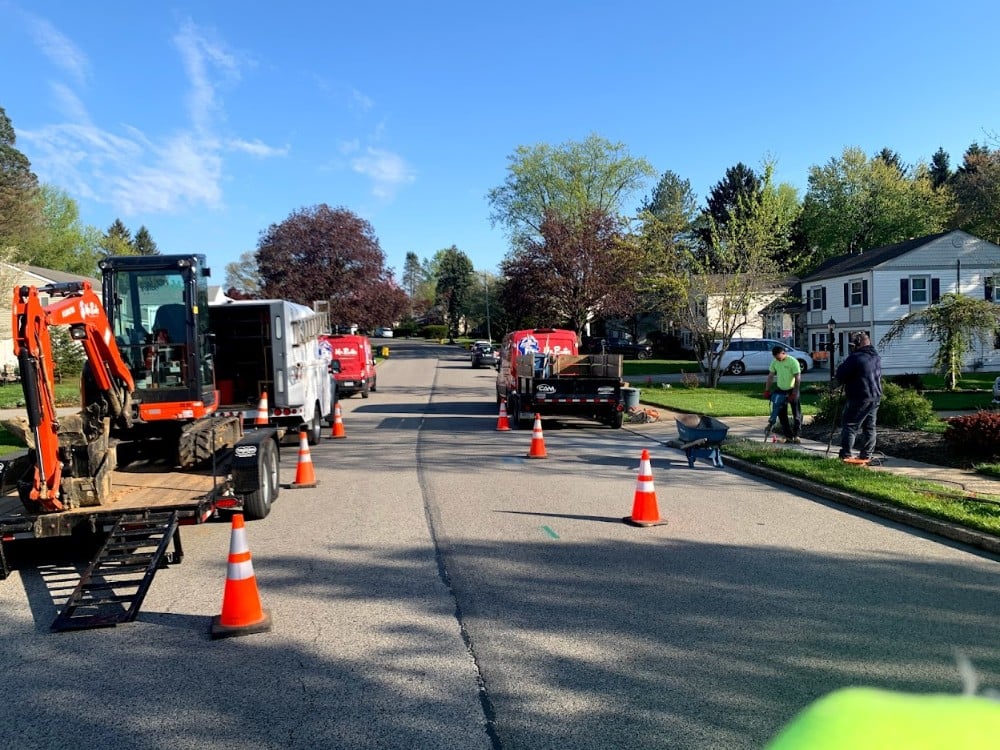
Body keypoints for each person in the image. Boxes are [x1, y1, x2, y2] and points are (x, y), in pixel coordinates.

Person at [835, 332, 882, 464]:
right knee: (869, 427)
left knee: (850, 425)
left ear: (857, 344)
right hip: (875, 396)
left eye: (852, 344)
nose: (851, 347)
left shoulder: (855, 357)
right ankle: (866, 455)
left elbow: (841, 374)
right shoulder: (875, 356)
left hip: (859, 396)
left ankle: (846, 455)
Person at [763, 345, 802, 443]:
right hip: (781, 389)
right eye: (775, 358)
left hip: (792, 389)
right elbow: (770, 376)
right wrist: (767, 390)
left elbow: (797, 378)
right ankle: (788, 436)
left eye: (778, 357)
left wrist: (794, 393)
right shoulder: (775, 362)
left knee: (796, 413)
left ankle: (797, 435)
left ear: (783, 353)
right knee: (781, 414)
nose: (777, 359)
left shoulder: (793, 362)